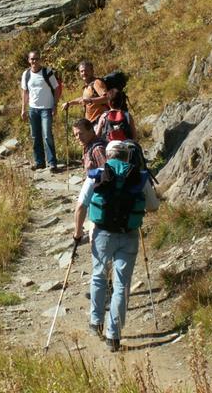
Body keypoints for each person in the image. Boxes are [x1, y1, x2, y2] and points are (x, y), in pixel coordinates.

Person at [73, 140, 159, 352]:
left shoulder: (97, 174)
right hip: (128, 234)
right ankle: (114, 335)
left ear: (108, 155)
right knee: (122, 285)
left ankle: (96, 321)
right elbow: (154, 206)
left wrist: (77, 234)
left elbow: (81, 206)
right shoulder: (139, 176)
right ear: (128, 156)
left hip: (102, 233)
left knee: (99, 275)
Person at [20, 51, 61, 172]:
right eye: (32, 59)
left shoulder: (47, 72)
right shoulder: (26, 74)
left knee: (47, 135)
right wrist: (23, 108)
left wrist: (55, 104)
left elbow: (57, 88)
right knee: (35, 136)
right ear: (29, 60)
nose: (34, 61)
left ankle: (52, 163)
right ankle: (39, 162)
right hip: (33, 109)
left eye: (36, 59)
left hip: (46, 108)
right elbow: (25, 92)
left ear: (40, 60)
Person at [61, 61, 108, 126]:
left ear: (92, 71)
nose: (84, 73)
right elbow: (83, 99)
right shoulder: (88, 86)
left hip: (99, 122)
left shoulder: (97, 83)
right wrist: (69, 103)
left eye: (86, 71)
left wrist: (90, 101)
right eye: (82, 71)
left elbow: (106, 98)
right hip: (91, 123)